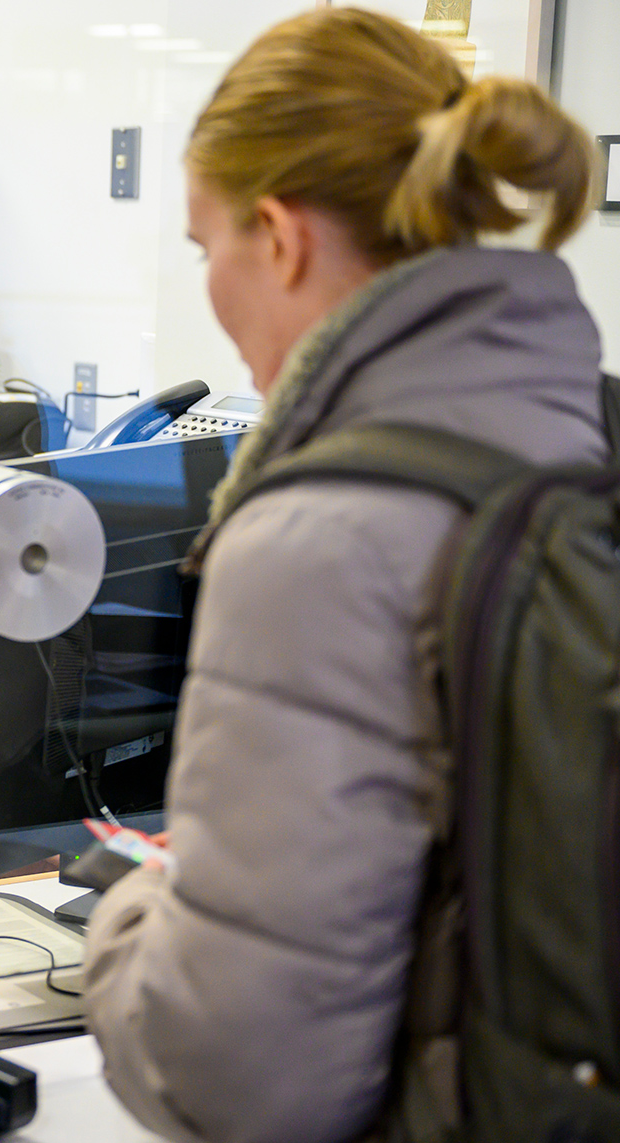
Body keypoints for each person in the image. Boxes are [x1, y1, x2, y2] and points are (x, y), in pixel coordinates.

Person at [78, 9, 602, 1142]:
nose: (211, 289)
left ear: (279, 237)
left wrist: (126, 918)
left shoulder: (318, 540)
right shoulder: (588, 445)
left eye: (202, 245)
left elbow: (233, 1077)